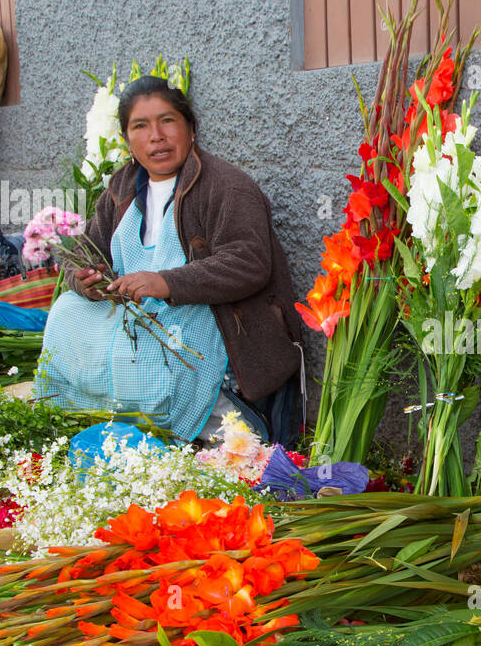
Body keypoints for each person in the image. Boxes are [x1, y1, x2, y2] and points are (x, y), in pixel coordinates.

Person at [38, 77, 304, 443]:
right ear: (127, 140)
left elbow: (249, 261)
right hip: (145, 324)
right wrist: (84, 278)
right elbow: (81, 250)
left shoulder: (226, 186)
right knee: (68, 309)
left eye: (167, 121)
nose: (156, 136)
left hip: (209, 328)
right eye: (140, 126)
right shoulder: (121, 188)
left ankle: (205, 433)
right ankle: (102, 421)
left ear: (191, 129)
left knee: (182, 322)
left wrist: (166, 283)